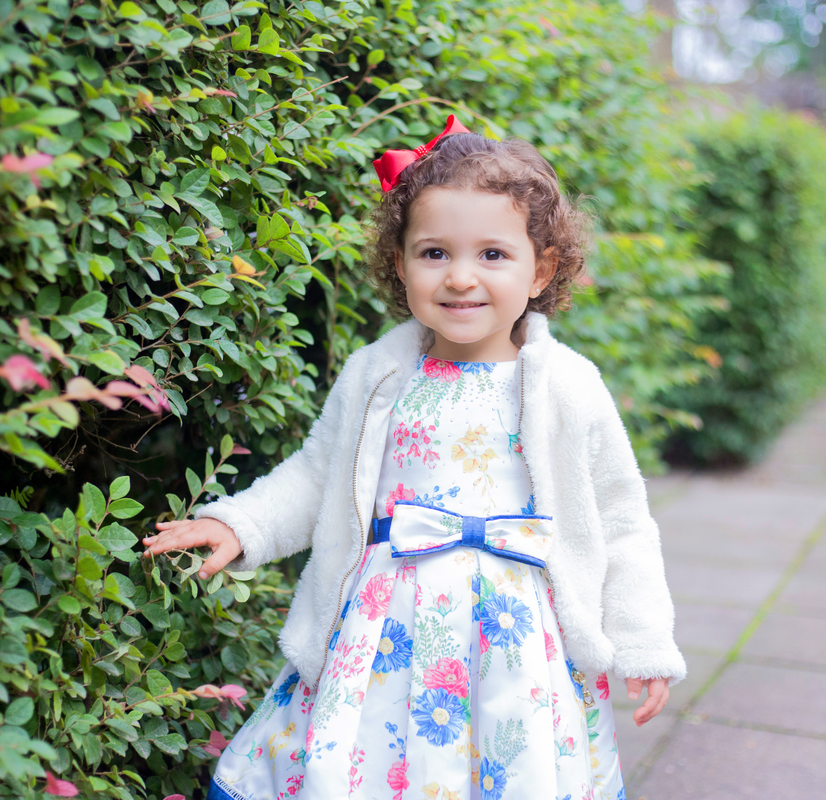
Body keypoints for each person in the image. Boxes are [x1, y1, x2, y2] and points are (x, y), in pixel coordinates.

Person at [142, 116, 686, 800]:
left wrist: (642, 641)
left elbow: (621, 520)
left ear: (540, 268)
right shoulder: (378, 374)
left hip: (516, 649)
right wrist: (239, 525)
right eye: (435, 254)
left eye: (493, 255)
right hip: (385, 633)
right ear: (400, 264)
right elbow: (316, 477)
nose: (461, 278)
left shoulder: (567, 386)